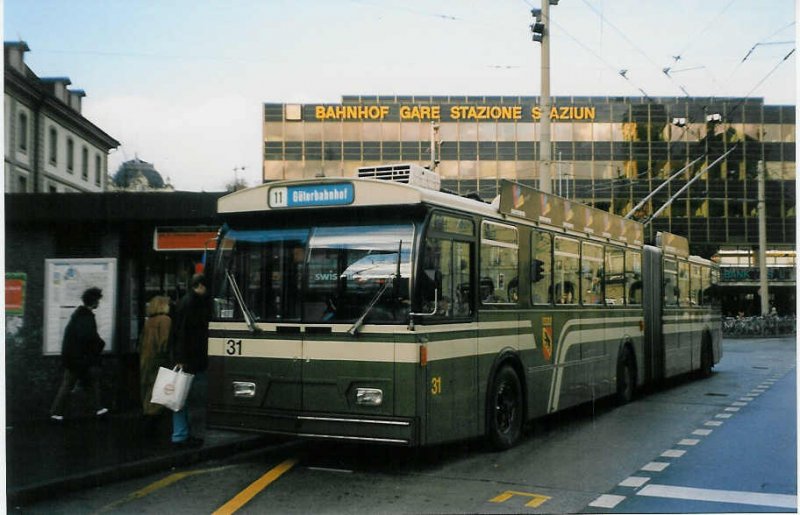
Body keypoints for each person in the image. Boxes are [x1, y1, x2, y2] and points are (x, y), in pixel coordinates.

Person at [50, 287, 108, 421]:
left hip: (75, 358)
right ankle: (56, 412)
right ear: (93, 301)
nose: (99, 303)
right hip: (79, 359)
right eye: (98, 300)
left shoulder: (79, 315)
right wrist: (100, 344)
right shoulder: (86, 317)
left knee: (86, 383)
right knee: (78, 383)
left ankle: (96, 408)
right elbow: (89, 337)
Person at [170, 273, 211, 447]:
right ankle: (190, 435)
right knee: (194, 399)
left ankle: (180, 434)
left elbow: (177, 333)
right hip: (194, 360)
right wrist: (181, 358)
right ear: (201, 286)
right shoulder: (194, 304)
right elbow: (185, 334)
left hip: (185, 359)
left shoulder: (184, 303)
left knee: (179, 398)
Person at [139, 295, 172, 433]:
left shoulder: (149, 321)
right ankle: (152, 422)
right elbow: (165, 341)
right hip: (159, 359)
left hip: (146, 359)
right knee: (160, 390)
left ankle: (147, 415)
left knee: (148, 389)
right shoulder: (165, 320)